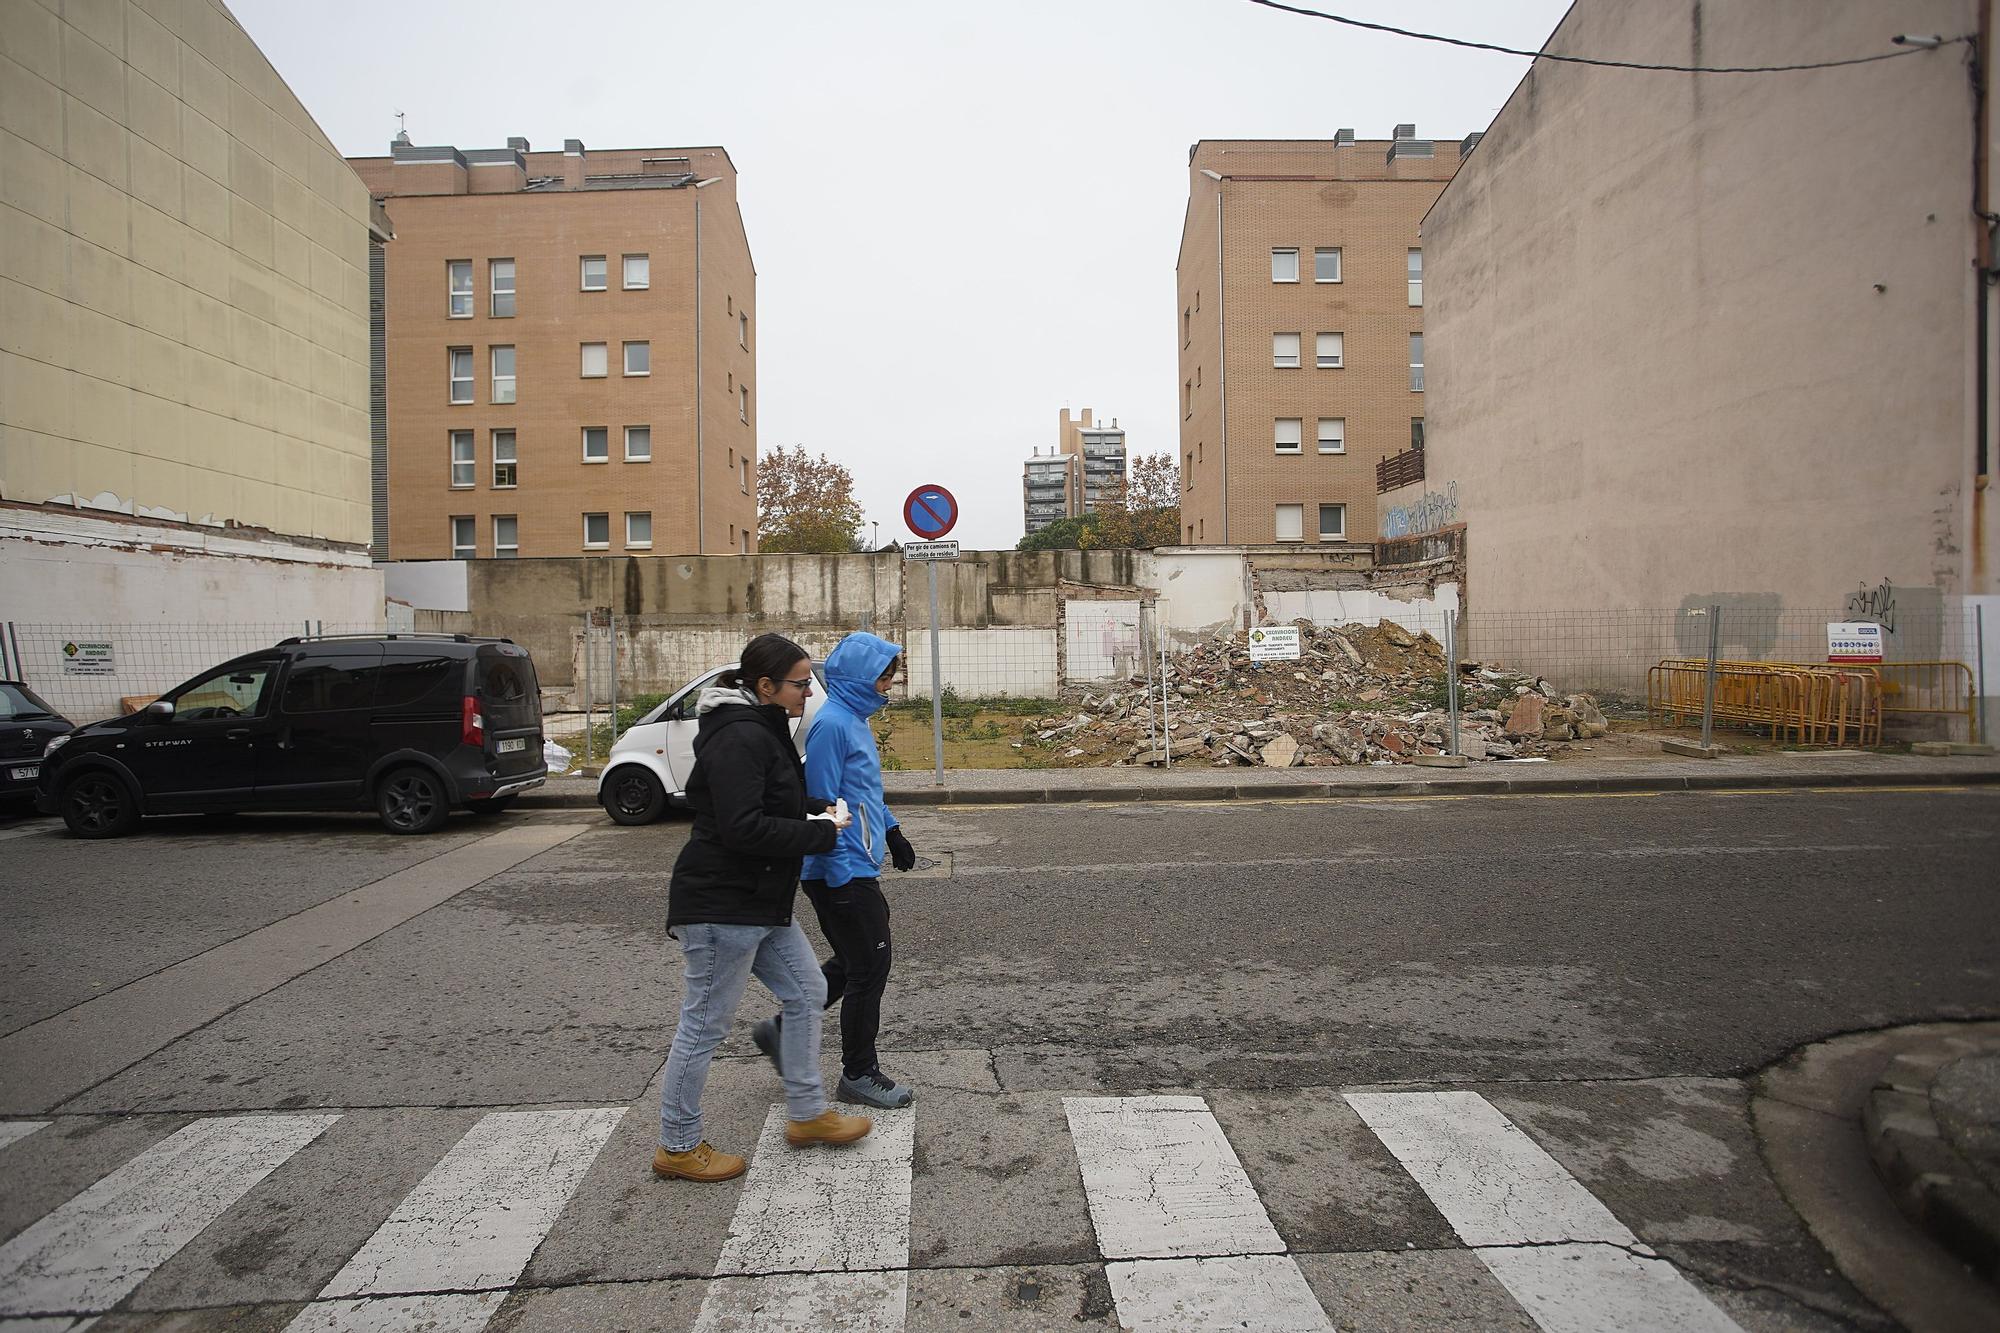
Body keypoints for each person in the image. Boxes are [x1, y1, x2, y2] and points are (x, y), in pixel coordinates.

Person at [654, 633, 872, 1183]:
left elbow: (768, 798)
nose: (808, 692)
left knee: (807, 991)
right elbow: (741, 826)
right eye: (800, 684)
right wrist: (819, 833)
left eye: (808, 682)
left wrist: (814, 805)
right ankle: (677, 1146)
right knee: (704, 1025)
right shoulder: (738, 737)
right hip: (722, 902)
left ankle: (807, 1116)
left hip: (759, 900)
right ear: (765, 686)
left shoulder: (763, 728)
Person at [754, 632, 918, 1110]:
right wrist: (840, 871)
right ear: (860, 679)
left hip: (854, 860)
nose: (891, 684)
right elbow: (823, 804)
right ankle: (859, 1073)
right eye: (885, 677)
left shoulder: (853, 720)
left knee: (852, 962)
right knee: (870, 965)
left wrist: (891, 830)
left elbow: (862, 792)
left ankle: (782, 1032)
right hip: (837, 867)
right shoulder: (832, 726)